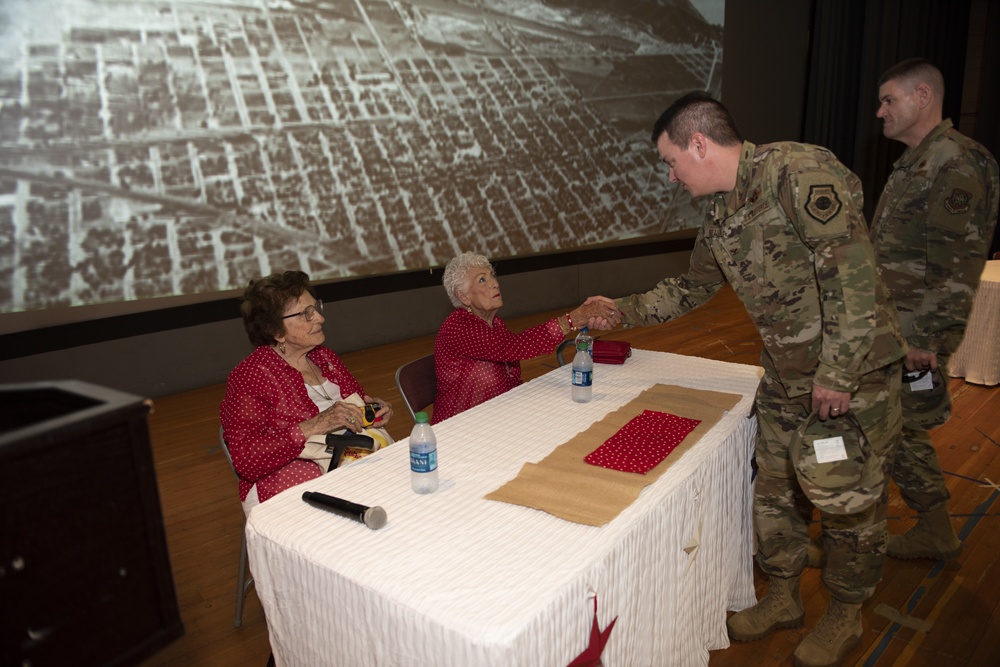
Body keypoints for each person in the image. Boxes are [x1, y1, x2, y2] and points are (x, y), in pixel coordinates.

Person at [611, 92, 906, 667]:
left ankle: (845, 614)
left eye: (671, 161)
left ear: (699, 143)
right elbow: (690, 290)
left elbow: (853, 274)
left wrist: (839, 373)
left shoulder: (797, 173)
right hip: (786, 377)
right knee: (774, 491)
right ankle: (783, 597)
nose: (670, 176)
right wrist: (618, 310)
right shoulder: (719, 213)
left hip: (850, 377)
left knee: (847, 502)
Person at [871, 58, 999, 559]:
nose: (879, 112)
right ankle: (920, 529)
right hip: (891, 328)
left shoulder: (957, 162)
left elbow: (958, 263)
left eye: (889, 100)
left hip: (913, 335)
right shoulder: (917, 160)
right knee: (896, 428)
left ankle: (928, 528)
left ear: (922, 96)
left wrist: (927, 340)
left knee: (902, 427)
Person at [220, 271, 394, 512]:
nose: (320, 318)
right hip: (290, 480)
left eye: (316, 307)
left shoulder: (324, 357)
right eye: (306, 314)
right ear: (276, 331)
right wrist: (314, 425)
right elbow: (247, 459)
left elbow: (356, 401)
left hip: (352, 460)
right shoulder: (251, 375)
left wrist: (373, 409)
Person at [432, 251, 619, 424]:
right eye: (482, 280)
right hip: (460, 428)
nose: (494, 283)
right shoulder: (459, 326)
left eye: (492, 276)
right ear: (463, 296)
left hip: (497, 419)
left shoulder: (496, 324)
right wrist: (573, 319)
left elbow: (512, 377)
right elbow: (514, 347)